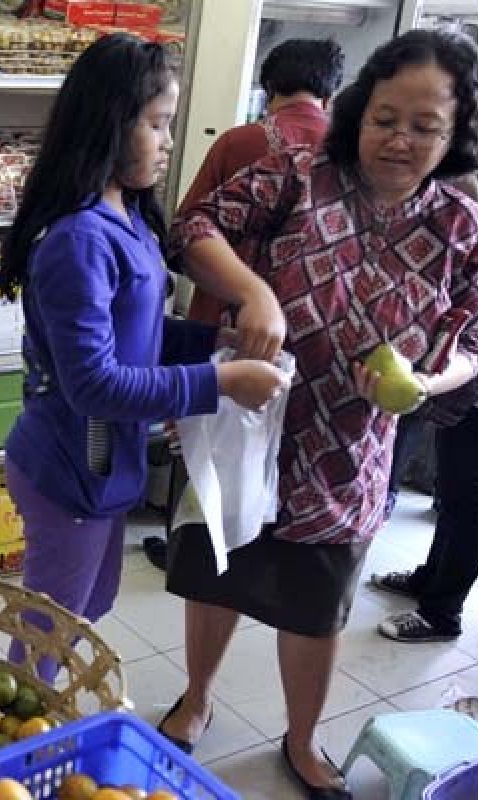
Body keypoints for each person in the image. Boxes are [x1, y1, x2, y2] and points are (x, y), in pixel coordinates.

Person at [158, 30, 478, 799]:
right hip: (251, 416)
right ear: (358, 110)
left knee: (316, 602)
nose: (400, 139)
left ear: (455, 135)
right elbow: (196, 228)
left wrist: (424, 378)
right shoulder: (298, 171)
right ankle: (198, 697)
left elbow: (473, 344)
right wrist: (255, 291)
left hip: (350, 446)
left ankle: (304, 739)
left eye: (425, 125)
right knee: (218, 568)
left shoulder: (463, 228)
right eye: (385, 117)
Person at [0, 33, 289, 679]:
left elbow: (140, 332)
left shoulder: (127, 219)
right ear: (108, 122)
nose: (166, 141)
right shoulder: (78, 241)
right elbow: (96, 384)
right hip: (71, 466)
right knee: (47, 628)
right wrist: (222, 383)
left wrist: (215, 343)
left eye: (169, 124)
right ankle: (18, 738)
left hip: (105, 464)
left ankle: (48, 702)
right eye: (156, 124)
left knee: (84, 606)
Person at [144, 37, 346, 570]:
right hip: (314, 344)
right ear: (334, 90)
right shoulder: (348, 151)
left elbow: (184, 233)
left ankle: (198, 546)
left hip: (226, 330)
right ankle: (266, 543)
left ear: (267, 86)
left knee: (210, 447)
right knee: (282, 454)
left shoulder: (240, 141)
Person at [371, 44, 478, 643]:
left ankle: (443, 612)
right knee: (453, 484)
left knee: (470, 488)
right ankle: (431, 576)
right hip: (468, 363)